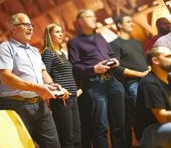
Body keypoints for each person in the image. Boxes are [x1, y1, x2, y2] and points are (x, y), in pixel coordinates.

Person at [0, 13, 68, 148]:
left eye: (31, 25)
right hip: (15, 105)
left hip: (39, 105)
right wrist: (37, 88)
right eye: (25, 24)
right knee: (21, 146)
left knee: (54, 145)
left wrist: (53, 86)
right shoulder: (5, 48)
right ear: (13, 28)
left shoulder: (34, 50)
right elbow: (6, 78)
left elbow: (43, 73)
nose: (30, 28)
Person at [68, 9, 126, 148]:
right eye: (89, 17)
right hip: (95, 85)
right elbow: (75, 67)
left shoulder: (100, 37)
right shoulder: (74, 42)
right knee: (100, 128)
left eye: (93, 17)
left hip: (113, 81)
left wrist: (115, 61)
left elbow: (111, 53)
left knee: (120, 125)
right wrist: (94, 69)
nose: (93, 19)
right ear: (80, 22)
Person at [110, 14, 149, 147]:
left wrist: (148, 72)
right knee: (140, 116)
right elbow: (116, 68)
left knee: (153, 114)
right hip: (132, 84)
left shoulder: (137, 42)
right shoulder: (114, 44)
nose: (132, 24)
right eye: (128, 22)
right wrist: (140, 74)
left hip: (147, 80)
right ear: (120, 25)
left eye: (132, 21)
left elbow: (145, 61)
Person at [41, 23, 81, 148]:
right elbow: (44, 74)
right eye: (57, 32)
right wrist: (57, 92)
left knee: (77, 137)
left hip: (73, 98)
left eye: (61, 31)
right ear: (49, 35)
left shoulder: (62, 52)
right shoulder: (48, 52)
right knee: (67, 139)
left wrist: (76, 91)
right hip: (61, 100)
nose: (61, 34)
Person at [134, 46, 171, 148]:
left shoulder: (169, 78)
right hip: (149, 132)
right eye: (168, 56)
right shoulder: (149, 83)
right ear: (155, 60)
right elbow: (162, 117)